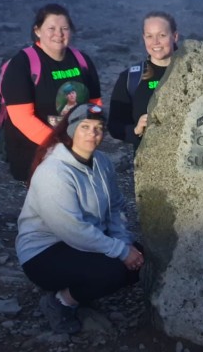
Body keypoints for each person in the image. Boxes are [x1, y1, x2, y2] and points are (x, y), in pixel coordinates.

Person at [16, 103, 144, 335]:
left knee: (140, 260)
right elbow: (71, 230)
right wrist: (121, 252)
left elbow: (115, 207)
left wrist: (124, 243)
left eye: (98, 128)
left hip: (85, 240)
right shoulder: (54, 172)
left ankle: (81, 285)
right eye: (85, 127)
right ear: (71, 129)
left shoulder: (102, 162)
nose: (92, 134)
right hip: (45, 251)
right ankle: (60, 302)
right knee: (113, 272)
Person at [0, 3, 101, 182]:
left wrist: (89, 136)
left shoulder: (82, 60)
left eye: (64, 28)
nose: (59, 34)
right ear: (37, 31)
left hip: (77, 149)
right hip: (35, 153)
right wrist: (59, 147)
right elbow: (22, 118)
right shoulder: (22, 64)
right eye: (51, 28)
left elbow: (94, 104)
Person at [107, 11, 179, 150]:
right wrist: (136, 130)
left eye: (162, 35)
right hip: (149, 159)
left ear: (174, 36)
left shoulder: (192, 72)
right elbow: (114, 126)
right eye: (149, 36)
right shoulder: (131, 78)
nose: (155, 42)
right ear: (143, 38)